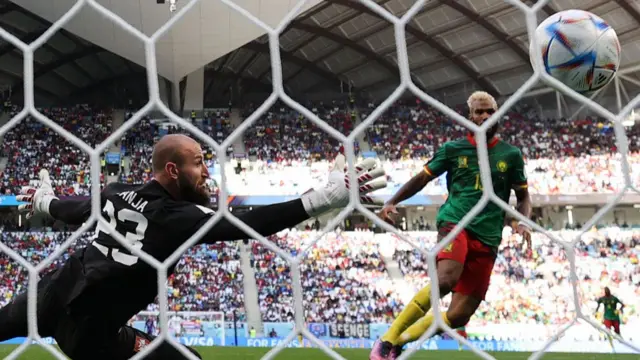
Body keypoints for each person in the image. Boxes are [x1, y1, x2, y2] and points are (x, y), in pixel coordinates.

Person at [0, 134, 386, 360]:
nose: (206, 172)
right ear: (173, 170)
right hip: (91, 335)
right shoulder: (179, 217)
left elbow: (72, 208)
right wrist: (323, 198)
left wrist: (41, 201)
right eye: (199, 163)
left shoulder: (116, 193)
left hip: (48, 295)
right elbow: (249, 225)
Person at [370, 91, 532, 359]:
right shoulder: (453, 149)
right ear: (469, 117)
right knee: (446, 278)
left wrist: (522, 221)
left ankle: (399, 342)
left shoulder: (511, 155)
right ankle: (387, 340)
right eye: (479, 112)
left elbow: (523, 196)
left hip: (489, 234)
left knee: (459, 315)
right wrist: (392, 201)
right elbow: (422, 178)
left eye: (490, 111)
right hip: (456, 222)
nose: (484, 116)